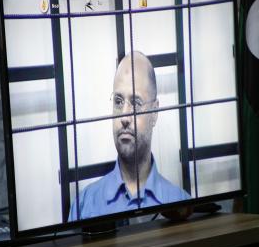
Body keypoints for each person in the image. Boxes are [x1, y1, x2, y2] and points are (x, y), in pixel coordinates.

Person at [68, 51, 191, 221]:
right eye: (118, 101)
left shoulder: (182, 206)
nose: (124, 117)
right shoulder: (84, 206)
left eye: (136, 103)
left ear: (154, 112)